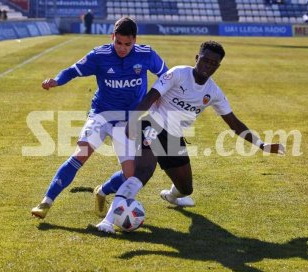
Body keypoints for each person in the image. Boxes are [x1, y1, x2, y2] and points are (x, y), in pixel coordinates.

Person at [95, 41, 285, 233]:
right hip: (153, 127)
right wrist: (133, 120)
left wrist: (263, 145)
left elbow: (234, 124)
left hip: (174, 139)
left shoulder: (213, 93)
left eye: (213, 63)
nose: (207, 66)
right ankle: (108, 221)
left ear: (218, 66)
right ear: (197, 58)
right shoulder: (178, 74)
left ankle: (168, 195)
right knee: (142, 173)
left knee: (186, 189)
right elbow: (150, 97)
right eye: (205, 60)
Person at [31, 17, 168, 219]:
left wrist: (159, 98)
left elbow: (166, 76)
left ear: (135, 40)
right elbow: (72, 71)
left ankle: (102, 190)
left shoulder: (146, 54)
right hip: (101, 114)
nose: (122, 48)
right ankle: (46, 202)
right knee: (81, 153)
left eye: (127, 44)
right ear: (112, 37)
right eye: (118, 42)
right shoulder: (99, 55)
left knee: (131, 176)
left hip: (128, 120)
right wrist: (56, 81)